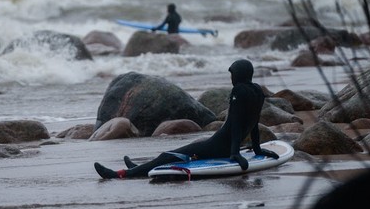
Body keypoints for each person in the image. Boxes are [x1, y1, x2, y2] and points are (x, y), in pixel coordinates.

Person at [94, 59, 279, 179]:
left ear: (237, 75)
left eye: (232, 74)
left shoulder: (238, 90)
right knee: (170, 156)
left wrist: (235, 154)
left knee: (168, 156)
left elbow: (236, 122)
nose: (231, 78)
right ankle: (139, 168)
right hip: (224, 145)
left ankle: (121, 174)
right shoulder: (257, 91)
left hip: (219, 147)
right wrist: (256, 148)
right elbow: (253, 122)